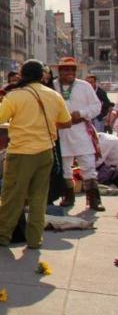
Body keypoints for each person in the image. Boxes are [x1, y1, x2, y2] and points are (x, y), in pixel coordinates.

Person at [0, 60, 72, 249]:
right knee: (38, 198)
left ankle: (2, 235)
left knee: (12, 196)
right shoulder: (53, 95)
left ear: (21, 74)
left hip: (21, 152)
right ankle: (35, 239)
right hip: (46, 152)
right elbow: (66, 122)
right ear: (42, 75)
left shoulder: (15, 96)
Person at [53, 58, 104, 211]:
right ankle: (68, 196)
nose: (69, 72)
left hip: (81, 129)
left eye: (72, 69)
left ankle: (94, 199)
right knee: (65, 167)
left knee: (88, 165)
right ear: (59, 71)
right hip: (61, 131)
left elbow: (97, 106)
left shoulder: (85, 86)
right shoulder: (52, 87)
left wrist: (81, 113)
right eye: (66, 69)